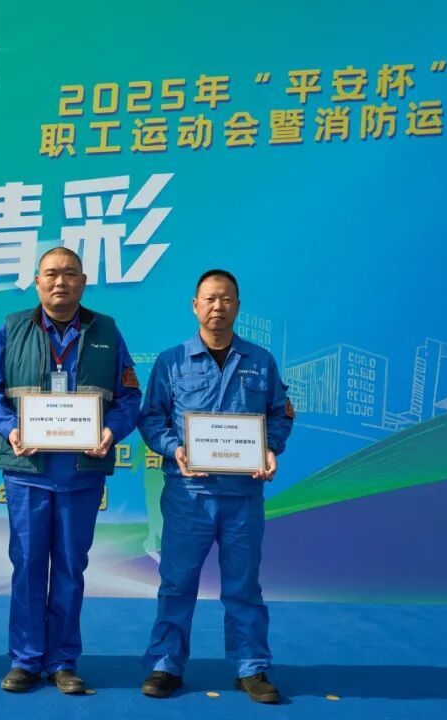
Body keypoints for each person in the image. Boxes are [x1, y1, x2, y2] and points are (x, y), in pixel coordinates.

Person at [0, 247, 142, 694]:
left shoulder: (107, 331)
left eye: (70, 274)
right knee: (28, 566)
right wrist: (10, 429)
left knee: (70, 567)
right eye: (51, 274)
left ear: (83, 282)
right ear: (37, 282)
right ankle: (26, 660)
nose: (60, 282)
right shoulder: (13, 328)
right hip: (27, 469)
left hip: (81, 472)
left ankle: (63, 661)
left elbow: (129, 396)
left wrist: (111, 431)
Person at [137, 269, 294, 703]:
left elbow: (280, 414)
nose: (217, 307)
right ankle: (166, 664)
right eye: (209, 299)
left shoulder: (261, 361)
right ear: (195, 306)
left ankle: (251, 667)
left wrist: (270, 448)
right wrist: (175, 449)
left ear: (237, 306)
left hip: (243, 497)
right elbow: (151, 418)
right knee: (176, 583)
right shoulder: (171, 362)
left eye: (226, 299)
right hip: (189, 496)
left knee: (244, 587)